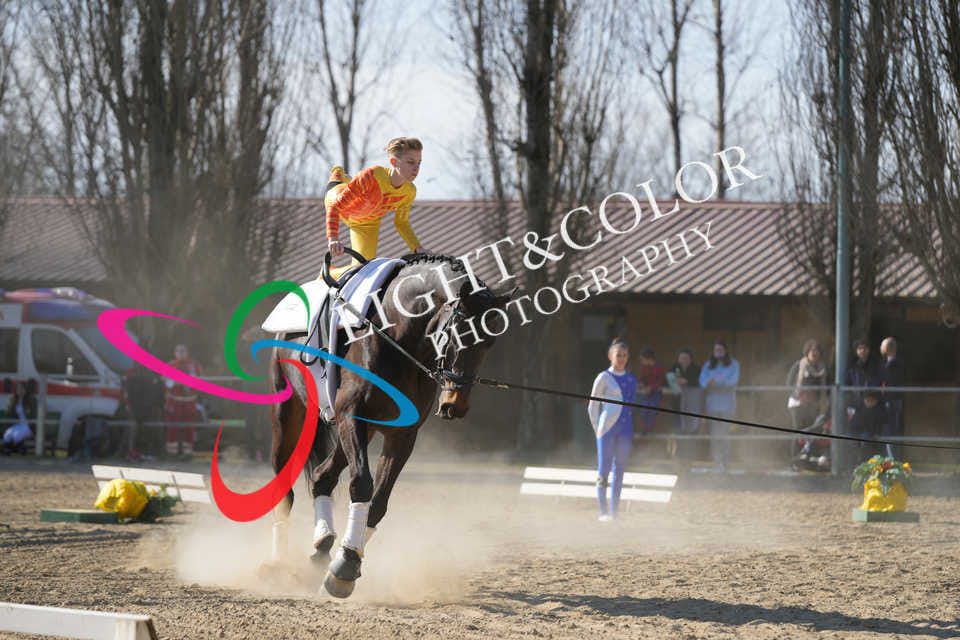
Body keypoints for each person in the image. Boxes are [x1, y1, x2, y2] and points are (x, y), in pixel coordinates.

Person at [325, 137, 430, 279]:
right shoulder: (372, 176)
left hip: (367, 222)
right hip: (339, 202)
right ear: (394, 162)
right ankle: (339, 174)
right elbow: (335, 206)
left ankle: (328, 272)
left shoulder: (409, 192)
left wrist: (417, 247)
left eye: (419, 163)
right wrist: (333, 238)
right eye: (410, 162)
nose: (416, 168)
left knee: (363, 269)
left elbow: (402, 223)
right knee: (339, 187)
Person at [587, 339, 639, 521]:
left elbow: (630, 406)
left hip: (625, 428)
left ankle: (615, 511)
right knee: (604, 468)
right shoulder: (604, 377)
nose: (621, 359)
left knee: (621, 468)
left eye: (624, 355)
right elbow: (593, 405)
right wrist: (597, 429)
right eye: (618, 355)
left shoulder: (632, 380)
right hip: (607, 429)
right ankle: (603, 512)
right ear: (611, 356)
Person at [699, 341, 740, 472]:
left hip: (727, 405)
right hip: (712, 405)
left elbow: (733, 381)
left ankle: (725, 461)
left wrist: (716, 383)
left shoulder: (734, 364)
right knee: (714, 435)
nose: (718, 352)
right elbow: (702, 381)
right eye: (716, 350)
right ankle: (717, 462)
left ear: (726, 350)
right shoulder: (708, 365)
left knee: (724, 434)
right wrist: (709, 383)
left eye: (721, 349)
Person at [164, 344, 203, 457]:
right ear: (174, 353)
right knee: (172, 427)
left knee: (189, 427)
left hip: (190, 401)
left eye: (183, 351)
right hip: (174, 401)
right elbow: (167, 383)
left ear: (187, 352)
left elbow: (200, 381)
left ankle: (188, 453)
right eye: (178, 351)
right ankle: (171, 453)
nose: (181, 353)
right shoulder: (170, 365)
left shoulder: (195, 365)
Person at [668, 348, 702, 459]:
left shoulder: (696, 369)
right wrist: (675, 381)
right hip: (677, 406)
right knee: (678, 432)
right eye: (681, 358)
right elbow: (667, 380)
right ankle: (680, 457)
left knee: (692, 432)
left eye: (686, 358)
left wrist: (687, 382)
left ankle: (690, 457)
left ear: (691, 359)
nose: (683, 360)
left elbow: (701, 382)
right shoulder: (674, 368)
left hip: (692, 407)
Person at [880, 337, 906, 459]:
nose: (880, 348)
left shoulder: (894, 365)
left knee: (890, 432)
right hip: (890, 401)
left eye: (882, 346)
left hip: (892, 401)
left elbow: (889, 383)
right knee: (889, 431)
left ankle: (892, 460)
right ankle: (890, 459)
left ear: (887, 348)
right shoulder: (889, 364)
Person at [844, 338, 882, 414]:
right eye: (860, 348)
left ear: (868, 349)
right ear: (856, 351)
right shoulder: (852, 366)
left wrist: (876, 398)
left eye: (865, 348)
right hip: (856, 404)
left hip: (873, 404)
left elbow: (881, 383)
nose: (862, 350)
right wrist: (851, 401)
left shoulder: (876, 365)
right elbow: (847, 385)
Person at [850, 389, 887, 461]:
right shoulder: (859, 409)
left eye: (871, 400)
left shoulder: (880, 410)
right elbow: (854, 426)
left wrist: (877, 433)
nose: (869, 402)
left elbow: (882, 424)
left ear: (876, 401)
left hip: (875, 438)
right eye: (867, 400)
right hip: (861, 436)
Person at [2, 381, 37, 455]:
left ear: (25, 390)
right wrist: (10, 408)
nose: (20, 391)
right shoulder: (14, 400)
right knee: (7, 435)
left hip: (29, 426)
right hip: (18, 425)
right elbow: (9, 414)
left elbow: (35, 413)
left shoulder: (31, 400)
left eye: (22, 388)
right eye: (18, 389)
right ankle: (18, 449)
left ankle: (11, 449)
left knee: (17, 436)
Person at [636, 347, 665, 436]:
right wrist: (641, 384)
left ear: (648, 358)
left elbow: (660, 381)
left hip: (655, 393)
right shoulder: (644, 368)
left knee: (653, 411)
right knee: (644, 411)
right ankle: (645, 430)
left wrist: (651, 388)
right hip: (646, 393)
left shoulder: (659, 368)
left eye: (642, 359)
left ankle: (651, 431)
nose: (641, 361)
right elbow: (643, 379)